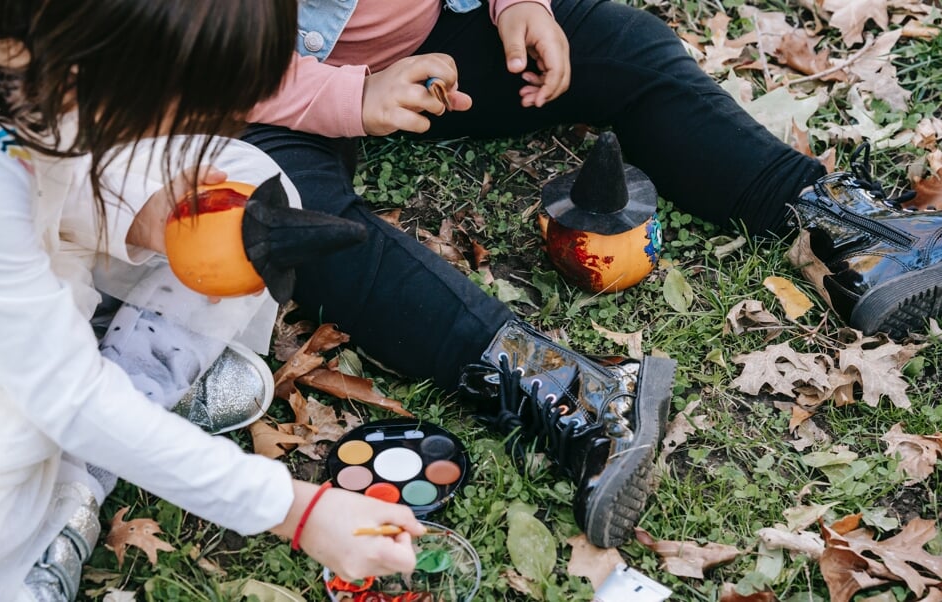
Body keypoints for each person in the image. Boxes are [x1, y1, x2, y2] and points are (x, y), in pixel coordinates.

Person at [239, 0, 942, 548]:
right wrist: (345, 100)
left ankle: (850, 236)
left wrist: (520, 8)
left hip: (436, 48)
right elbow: (150, 57)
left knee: (622, 44)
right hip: (252, 94)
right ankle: (570, 397)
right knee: (290, 217)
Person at [0, 2, 426, 600]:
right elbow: (64, 393)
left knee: (246, 194)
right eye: (183, 106)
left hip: (10, 259)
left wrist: (143, 217)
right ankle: (87, 474)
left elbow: (46, 162)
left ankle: (132, 393)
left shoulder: (36, 53)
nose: (183, 125)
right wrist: (295, 510)